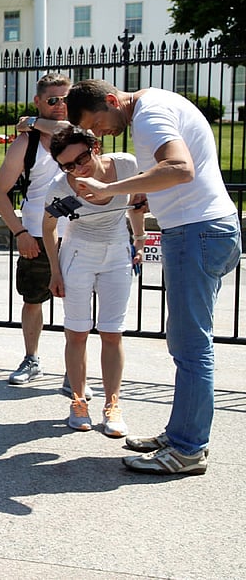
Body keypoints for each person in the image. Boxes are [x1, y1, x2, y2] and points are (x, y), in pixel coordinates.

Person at [66, 79, 241, 475]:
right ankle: (182, 434)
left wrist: (112, 187)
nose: (101, 133)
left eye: (98, 122)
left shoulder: (147, 116)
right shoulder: (159, 103)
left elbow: (180, 168)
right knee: (186, 340)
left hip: (195, 231)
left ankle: (187, 449)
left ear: (112, 101)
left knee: (191, 346)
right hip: (205, 227)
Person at [41, 126, 145, 437]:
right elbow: (48, 228)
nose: (78, 168)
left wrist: (138, 240)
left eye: (82, 158)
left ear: (95, 147)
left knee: (112, 332)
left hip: (116, 253)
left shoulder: (124, 165)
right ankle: (78, 401)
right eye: (68, 165)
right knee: (77, 332)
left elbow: (137, 202)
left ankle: (112, 405)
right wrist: (55, 271)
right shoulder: (62, 187)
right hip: (78, 255)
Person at [0, 73, 72, 388]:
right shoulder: (27, 141)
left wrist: (33, 120)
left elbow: (67, 130)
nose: (61, 105)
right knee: (33, 299)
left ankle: (73, 370)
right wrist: (20, 232)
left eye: (66, 99)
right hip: (37, 232)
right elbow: (0, 191)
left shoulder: (81, 133)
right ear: (39, 101)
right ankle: (31, 357)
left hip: (77, 233)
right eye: (53, 100)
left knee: (77, 303)